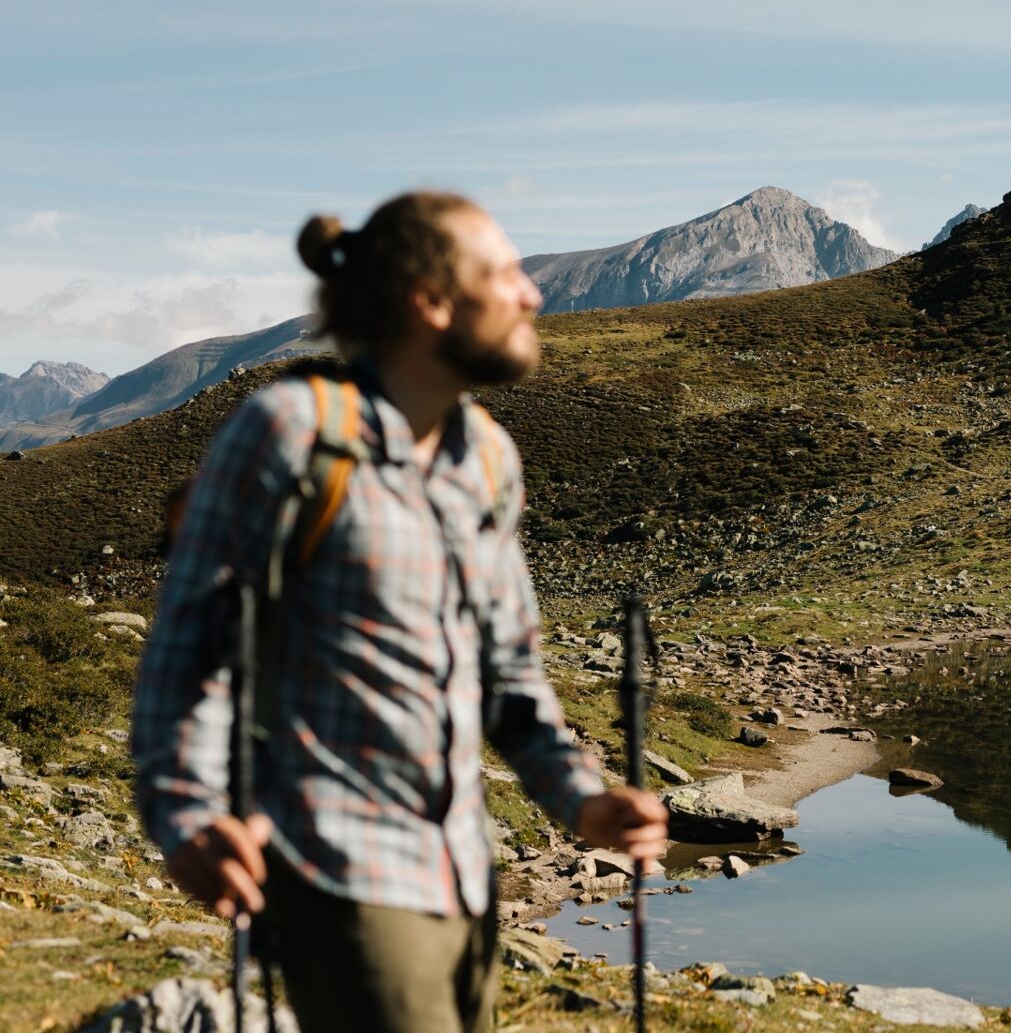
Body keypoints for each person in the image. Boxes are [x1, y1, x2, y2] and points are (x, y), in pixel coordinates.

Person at [131, 190, 668, 1032]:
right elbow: (188, 652)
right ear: (430, 300)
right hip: (337, 873)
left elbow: (510, 679)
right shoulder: (291, 432)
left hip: (462, 878)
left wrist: (583, 802)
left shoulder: (487, 459)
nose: (532, 293)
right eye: (503, 273)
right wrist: (186, 815)